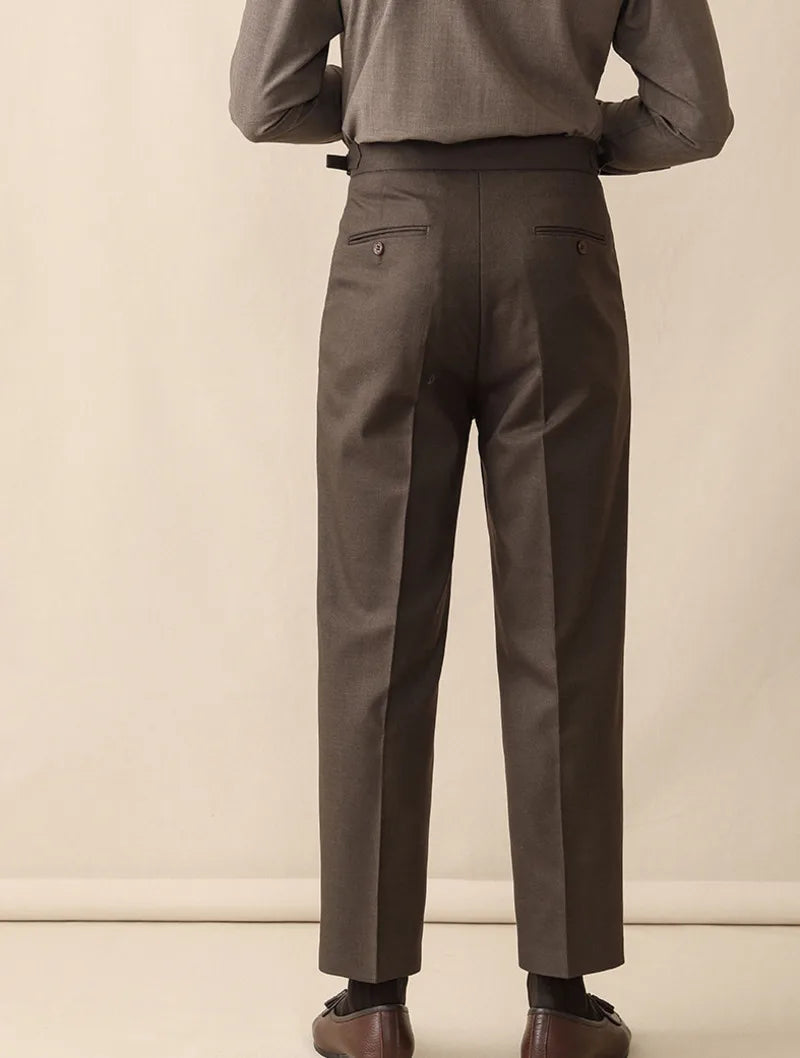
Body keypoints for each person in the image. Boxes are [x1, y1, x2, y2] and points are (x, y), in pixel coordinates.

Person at [227, 1, 734, 1055]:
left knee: (372, 624)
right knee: (562, 623)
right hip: (554, 235)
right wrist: (564, 128)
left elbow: (264, 100)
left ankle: (370, 1000)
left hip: (391, 234)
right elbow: (694, 114)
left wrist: (386, 102)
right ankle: (562, 1000)